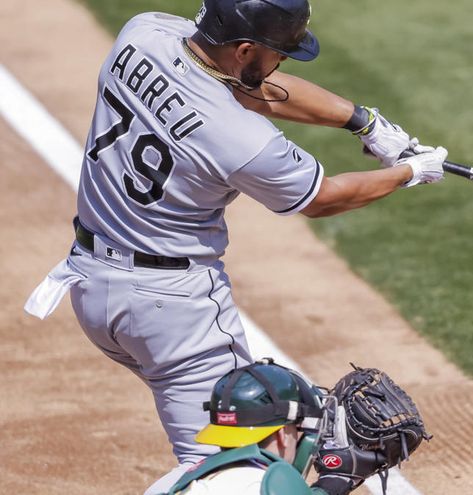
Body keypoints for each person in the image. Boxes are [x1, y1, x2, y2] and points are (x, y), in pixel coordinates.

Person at [23, 0, 446, 493]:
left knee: (223, 456)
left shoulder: (143, 34)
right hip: (170, 312)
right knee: (235, 462)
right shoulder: (243, 141)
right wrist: (409, 172)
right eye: (277, 53)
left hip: (91, 286)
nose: (280, 63)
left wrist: (364, 122)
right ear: (244, 49)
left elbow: (248, 89)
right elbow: (323, 198)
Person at [166, 359, 387, 495]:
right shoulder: (263, 485)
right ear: (282, 434)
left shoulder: (183, 482)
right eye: (298, 429)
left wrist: (330, 487)